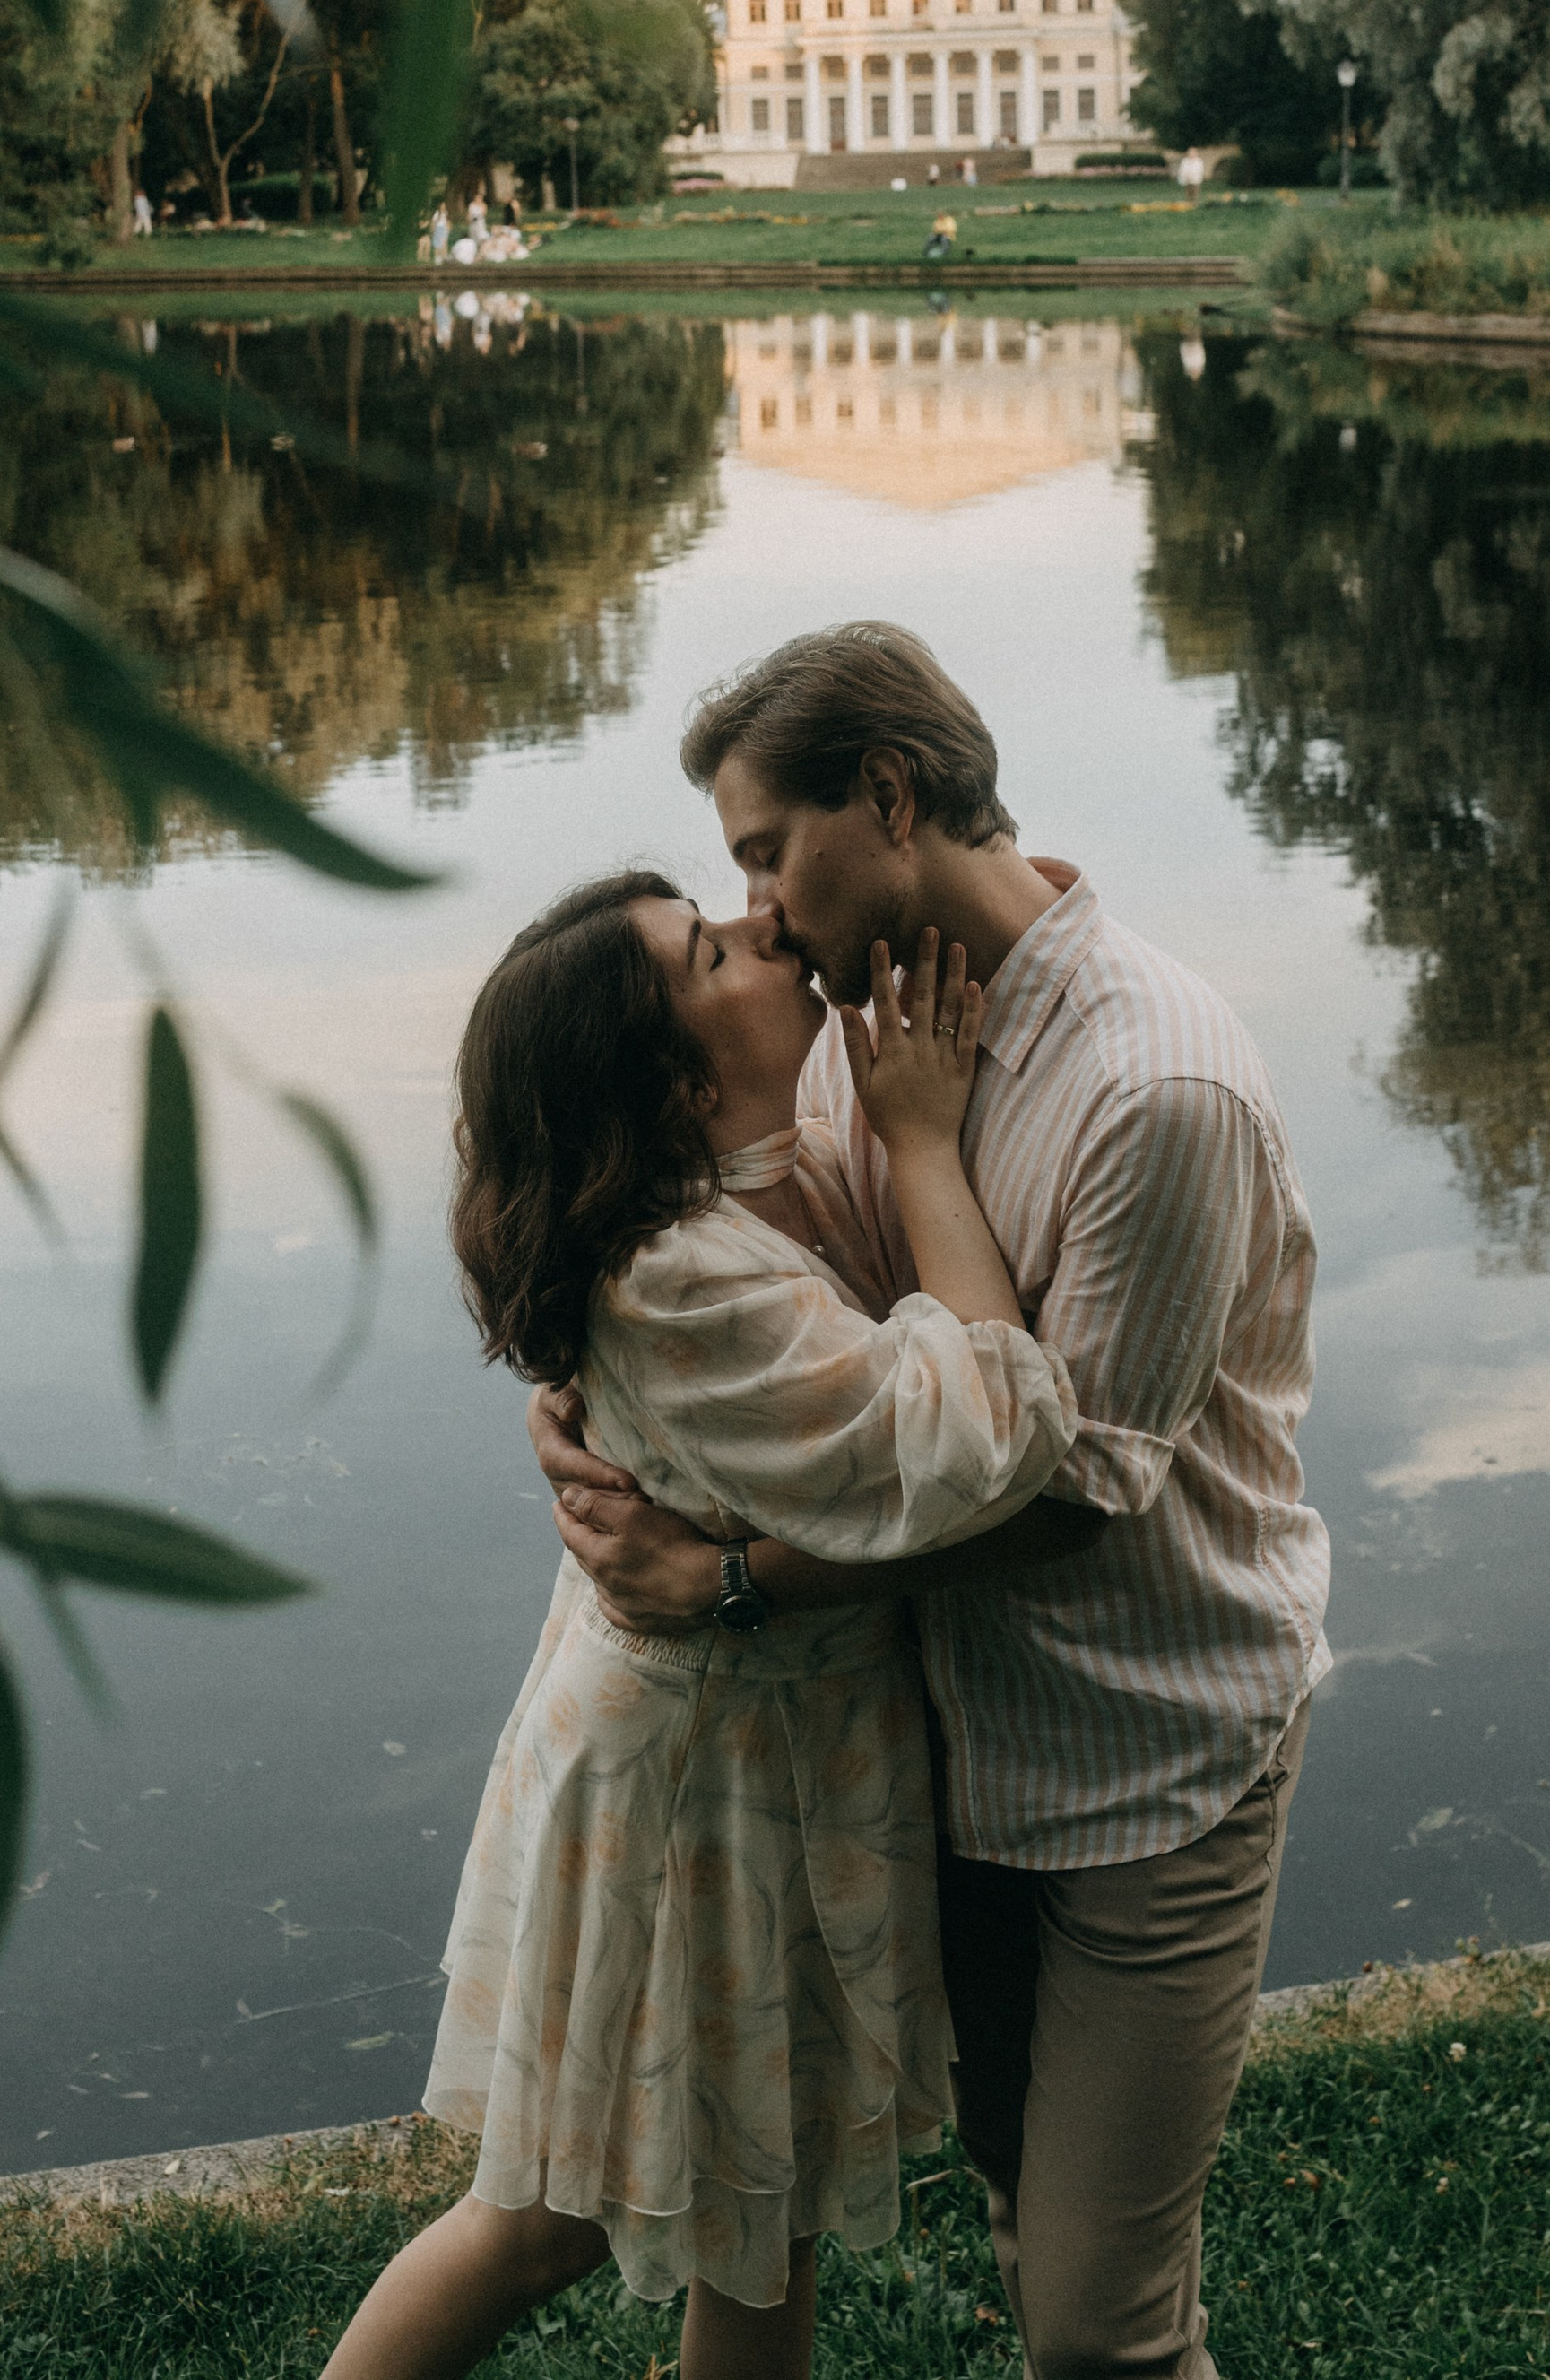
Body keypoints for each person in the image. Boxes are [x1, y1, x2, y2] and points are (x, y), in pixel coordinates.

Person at [534, 625, 1329, 2380]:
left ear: (888, 798)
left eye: (765, 852)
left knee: (1102, 2331)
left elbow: (1070, 1500)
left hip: (1141, 1756)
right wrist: (593, 1397)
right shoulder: (851, 1028)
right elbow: (782, 1311)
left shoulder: (1155, 1086)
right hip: (939, 1754)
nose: (754, 908)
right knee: (1027, 2223)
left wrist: (727, 1581)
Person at [326, 884, 1087, 2380]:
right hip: (699, 1796)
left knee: (763, 2206)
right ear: (672, 1081)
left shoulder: (756, 1184)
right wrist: (928, 1143)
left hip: (776, 1762)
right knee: (541, 2218)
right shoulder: (680, 1277)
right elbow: (991, 1435)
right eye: (711, 952)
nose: (764, 929)